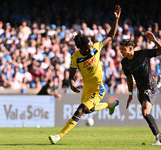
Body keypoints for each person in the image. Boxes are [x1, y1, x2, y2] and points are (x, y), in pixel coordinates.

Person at [48, 5, 121, 144]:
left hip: (98, 88)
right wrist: (72, 84)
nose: (90, 49)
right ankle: (109, 105)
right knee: (88, 111)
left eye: (90, 45)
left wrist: (116, 19)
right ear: (80, 48)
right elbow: (71, 76)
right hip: (87, 88)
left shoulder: (95, 47)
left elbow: (111, 36)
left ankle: (58, 136)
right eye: (87, 48)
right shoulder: (76, 57)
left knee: (81, 110)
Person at [119, 31, 161, 145]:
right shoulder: (124, 62)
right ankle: (159, 83)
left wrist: (154, 41)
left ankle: (158, 138)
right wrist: (130, 95)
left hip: (149, 86)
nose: (121, 52)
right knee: (145, 112)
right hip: (140, 90)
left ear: (130, 48)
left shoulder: (143, 54)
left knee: (145, 112)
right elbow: (129, 79)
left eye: (123, 49)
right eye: (120, 50)